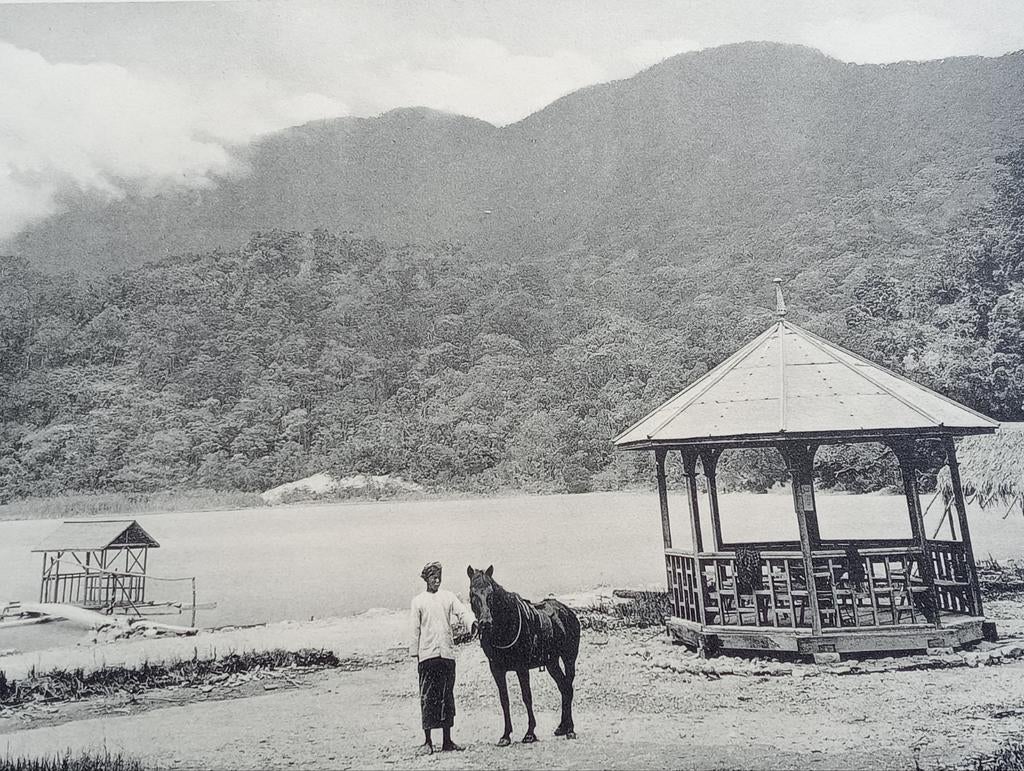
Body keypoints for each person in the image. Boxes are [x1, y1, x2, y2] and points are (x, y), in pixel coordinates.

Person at [410, 561, 477, 753]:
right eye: (433, 577)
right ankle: (428, 742)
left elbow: (462, 612)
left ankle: (448, 741)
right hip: (427, 656)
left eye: (439, 577)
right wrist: (416, 653)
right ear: (426, 579)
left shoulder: (448, 597)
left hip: (446, 654)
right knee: (428, 697)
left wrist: (472, 623)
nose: (437, 580)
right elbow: (414, 629)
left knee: (447, 697)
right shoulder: (418, 601)